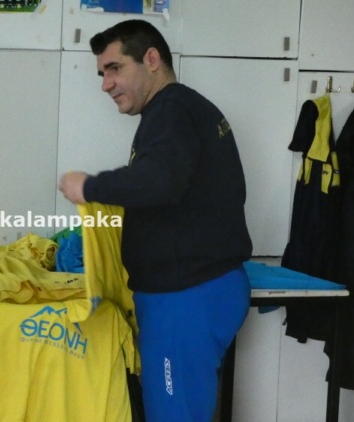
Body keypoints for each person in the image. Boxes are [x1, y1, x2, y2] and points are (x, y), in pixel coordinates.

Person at [58, 19, 253, 421]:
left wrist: (89, 187)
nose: (106, 84)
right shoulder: (180, 111)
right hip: (190, 294)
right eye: (102, 74)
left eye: (115, 68)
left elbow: (158, 181)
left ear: (151, 59)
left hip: (185, 298)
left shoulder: (172, 110)